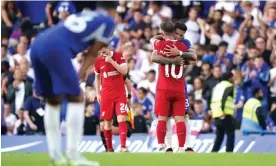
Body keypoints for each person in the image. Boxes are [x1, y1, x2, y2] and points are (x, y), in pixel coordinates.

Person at [30, 2, 117, 165]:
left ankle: (55, 155)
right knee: (77, 97)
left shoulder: (83, 14)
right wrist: (81, 73)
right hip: (56, 48)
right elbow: (93, 52)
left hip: (38, 43)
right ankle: (74, 155)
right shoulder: (109, 20)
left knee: (53, 100)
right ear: (113, 11)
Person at [151, 21, 196, 152]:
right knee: (180, 119)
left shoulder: (160, 44)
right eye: (177, 33)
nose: (179, 36)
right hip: (178, 88)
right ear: (174, 31)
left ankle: (161, 146)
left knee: (163, 118)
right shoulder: (182, 46)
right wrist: (178, 57)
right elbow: (190, 58)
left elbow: (153, 53)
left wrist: (161, 38)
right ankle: (180, 147)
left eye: (181, 35)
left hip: (164, 88)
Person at [94, 47, 128, 152]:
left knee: (122, 119)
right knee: (107, 123)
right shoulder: (98, 61)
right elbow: (97, 77)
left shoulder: (119, 56)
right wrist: (97, 93)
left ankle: (123, 147)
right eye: (101, 51)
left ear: (109, 47)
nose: (102, 53)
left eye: (104, 50)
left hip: (120, 94)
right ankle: (109, 149)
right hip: (106, 95)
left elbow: (124, 71)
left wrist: (111, 61)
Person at [211, 72, 235, 152]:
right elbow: (224, 97)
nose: (234, 79)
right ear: (230, 78)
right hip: (225, 113)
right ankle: (229, 152)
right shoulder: (229, 86)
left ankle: (214, 152)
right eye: (233, 77)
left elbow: (210, 99)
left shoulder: (217, 86)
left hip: (216, 113)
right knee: (230, 133)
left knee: (220, 135)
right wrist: (223, 111)